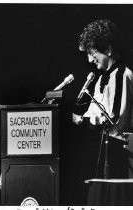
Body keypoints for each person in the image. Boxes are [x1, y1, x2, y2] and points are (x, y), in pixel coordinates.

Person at [73, 19, 133, 179]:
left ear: (108, 50)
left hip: (118, 152)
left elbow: (114, 120)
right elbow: (93, 112)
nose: (90, 60)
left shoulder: (122, 75)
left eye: (92, 54)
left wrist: (82, 121)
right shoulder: (100, 79)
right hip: (103, 149)